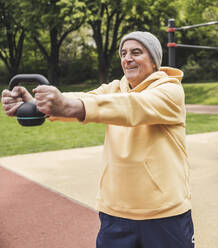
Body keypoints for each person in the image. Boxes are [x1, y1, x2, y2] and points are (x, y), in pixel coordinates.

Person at [1, 31, 194, 248]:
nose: (127, 58)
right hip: (115, 211)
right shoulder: (115, 89)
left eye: (136, 52)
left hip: (164, 213)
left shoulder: (170, 91)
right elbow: (86, 98)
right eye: (123, 53)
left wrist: (69, 106)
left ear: (154, 60)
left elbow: (131, 106)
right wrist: (38, 103)